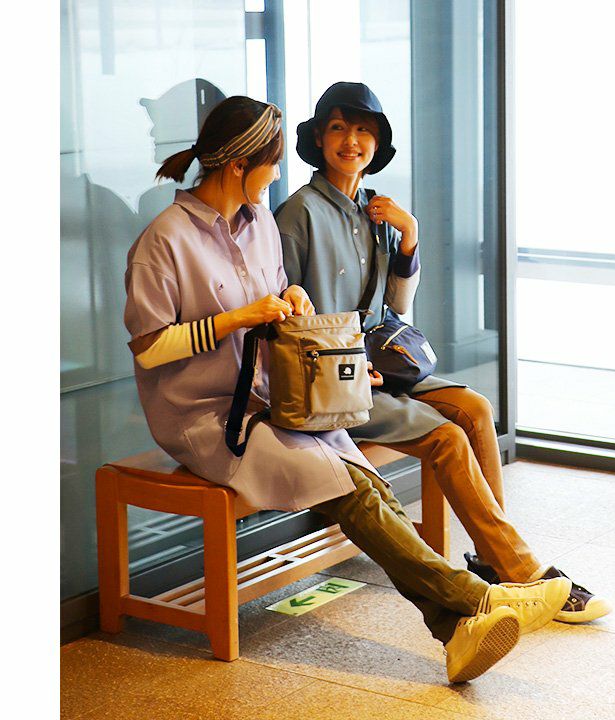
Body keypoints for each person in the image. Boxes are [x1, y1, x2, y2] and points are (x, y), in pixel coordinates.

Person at [123, 94, 573, 684]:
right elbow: (150, 348)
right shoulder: (165, 240)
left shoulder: (259, 225)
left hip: (272, 399)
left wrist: (291, 298)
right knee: (352, 487)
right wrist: (239, 318)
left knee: (367, 482)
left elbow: (286, 297)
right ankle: (481, 598)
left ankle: (459, 626)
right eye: (272, 163)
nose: (277, 174)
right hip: (206, 419)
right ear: (238, 165)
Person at [274, 81, 611, 624]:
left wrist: (409, 236)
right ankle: (523, 572)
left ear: (378, 142)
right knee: (447, 437)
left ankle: (495, 561)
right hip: (330, 384)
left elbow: (397, 306)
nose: (351, 141)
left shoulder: (374, 210)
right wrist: (351, 367)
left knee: (474, 408)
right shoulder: (298, 213)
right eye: (338, 128)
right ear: (318, 138)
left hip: (379, 367)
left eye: (363, 130)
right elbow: (286, 323)